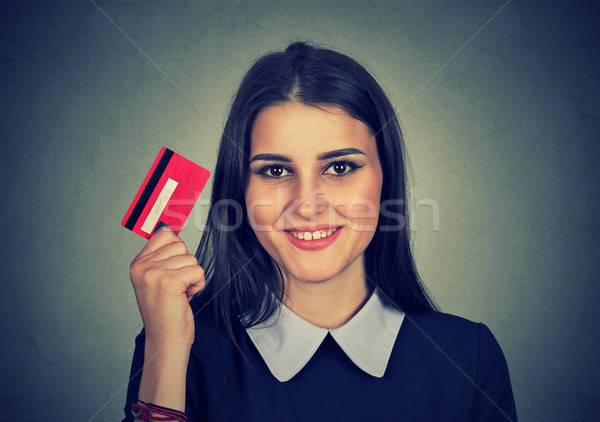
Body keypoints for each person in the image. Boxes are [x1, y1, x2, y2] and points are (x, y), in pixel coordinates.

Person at [123, 41, 518, 422]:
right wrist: (167, 352)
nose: (307, 204)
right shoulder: (178, 342)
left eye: (340, 167)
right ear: (241, 191)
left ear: (386, 179)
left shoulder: (470, 357)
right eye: (275, 171)